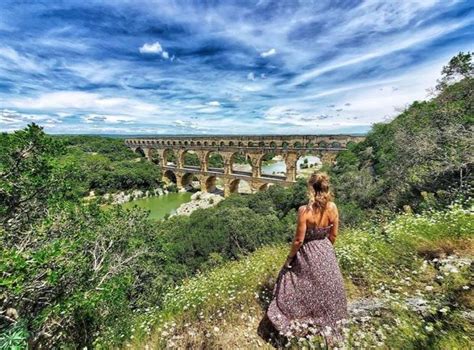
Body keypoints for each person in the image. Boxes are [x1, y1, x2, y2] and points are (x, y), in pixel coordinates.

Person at [266, 172, 348, 345]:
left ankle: (300, 319)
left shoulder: (305, 211)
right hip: (326, 250)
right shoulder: (333, 207)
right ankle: (328, 322)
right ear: (327, 187)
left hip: (307, 251)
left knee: (291, 279)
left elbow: (298, 240)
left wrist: (289, 258)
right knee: (327, 284)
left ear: (311, 188)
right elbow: (334, 235)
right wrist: (324, 249)